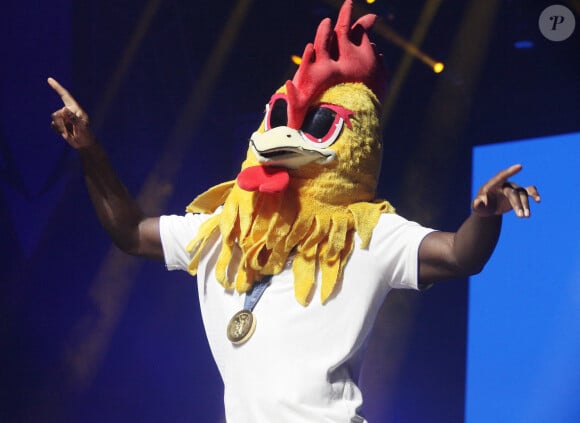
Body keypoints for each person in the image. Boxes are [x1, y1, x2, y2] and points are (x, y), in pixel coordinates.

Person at [47, 4, 539, 422]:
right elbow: (130, 232)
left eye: (320, 124)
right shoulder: (223, 229)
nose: (289, 136)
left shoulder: (364, 233)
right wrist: (90, 148)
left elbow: (458, 255)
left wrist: (486, 214)